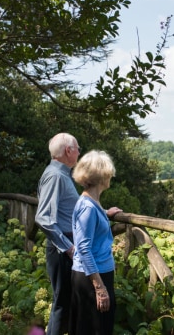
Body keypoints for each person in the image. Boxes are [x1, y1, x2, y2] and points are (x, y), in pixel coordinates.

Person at [69, 150, 122, 335]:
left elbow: (90, 223)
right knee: (95, 329)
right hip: (92, 277)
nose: (110, 178)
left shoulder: (92, 204)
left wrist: (105, 213)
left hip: (91, 274)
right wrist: (100, 288)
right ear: (102, 176)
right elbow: (84, 248)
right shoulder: (88, 207)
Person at [35, 132, 81, 335]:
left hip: (65, 245)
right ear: (68, 151)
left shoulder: (61, 174)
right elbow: (43, 217)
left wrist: (104, 213)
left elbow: (69, 210)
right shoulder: (55, 176)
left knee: (68, 301)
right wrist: (68, 247)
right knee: (62, 302)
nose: (80, 151)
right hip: (63, 247)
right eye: (78, 148)